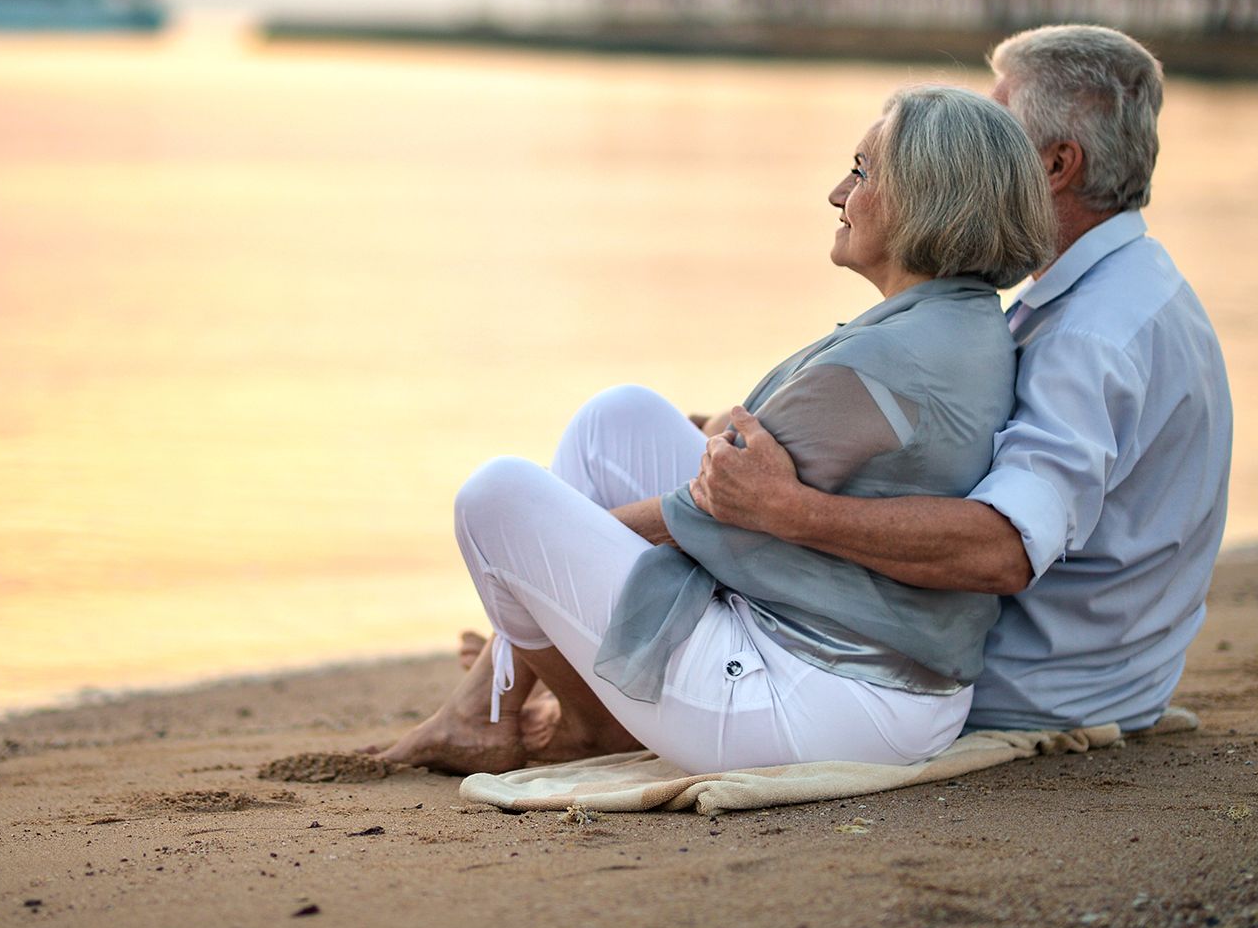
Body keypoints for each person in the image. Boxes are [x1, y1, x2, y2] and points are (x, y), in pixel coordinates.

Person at [375, 85, 1056, 776]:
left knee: (498, 499)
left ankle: (565, 721)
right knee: (619, 418)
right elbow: (747, 465)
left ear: (924, 198)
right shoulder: (960, 323)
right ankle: (499, 706)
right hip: (892, 687)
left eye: (861, 170)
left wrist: (534, 569)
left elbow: (708, 514)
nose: (836, 192)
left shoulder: (887, 358)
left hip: (822, 703)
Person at [692, 24, 1233, 733]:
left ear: (1055, 165)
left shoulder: (1087, 338)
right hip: (1107, 671)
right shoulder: (1139, 287)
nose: (962, 138)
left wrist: (785, 508)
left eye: (993, 121)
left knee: (715, 540)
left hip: (1030, 685)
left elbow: (1003, 549)